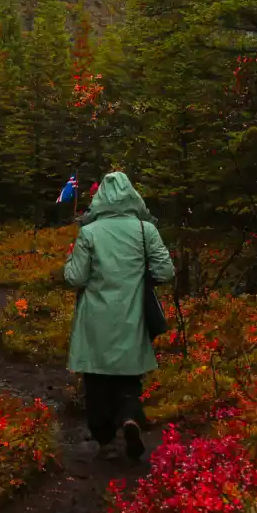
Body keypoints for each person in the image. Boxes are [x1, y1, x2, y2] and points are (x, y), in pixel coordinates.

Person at [63, 172, 174, 461]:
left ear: (100, 197)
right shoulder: (145, 230)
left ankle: (106, 442)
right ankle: (129, 418)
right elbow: (165, 271)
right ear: (132, 195)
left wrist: (69, 259)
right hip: (132, 315)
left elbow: (75, 278)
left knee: (97, 381)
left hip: (95, 318)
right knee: (129, 378)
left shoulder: (89, 232)